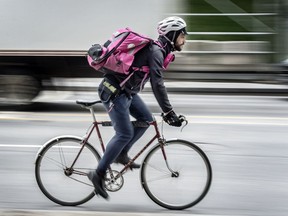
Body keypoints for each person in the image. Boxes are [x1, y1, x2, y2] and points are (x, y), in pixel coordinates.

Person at [88, 16, 188, 199]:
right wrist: (169, 112)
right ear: (172, 34)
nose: (185, 39)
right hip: (112, 91)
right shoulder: (156, 52)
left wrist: (167, 111)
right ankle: (98, 174)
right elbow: (158, 84)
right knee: (124, 133)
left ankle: (121, 153)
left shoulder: (158, 51)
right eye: (182, 35)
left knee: (146, 120)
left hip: (126, 92)